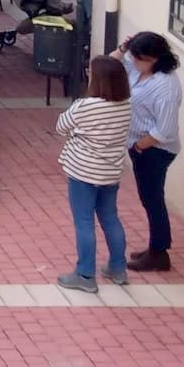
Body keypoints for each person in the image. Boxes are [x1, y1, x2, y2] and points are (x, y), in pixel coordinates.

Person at [57, 53, 133, 291]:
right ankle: (118, 268)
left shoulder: (85, 106)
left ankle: (85, 275)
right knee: (110, 217)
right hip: (110, 171)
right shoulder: (126, 104)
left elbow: (61, 126)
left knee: (84, 221)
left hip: (83, 172)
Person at [124, 33, 183, 273]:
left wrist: (140, 146)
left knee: (153, 200)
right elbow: (116, 60)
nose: (135, 62)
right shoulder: (139, 68)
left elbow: (165, 129)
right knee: (148, 198)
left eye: (141, 59)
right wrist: (123, 47)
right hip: (140, 146)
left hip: (154, 150)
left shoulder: (165, 87)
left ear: (155, 59)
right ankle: (154, 248)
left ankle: (159, 253)